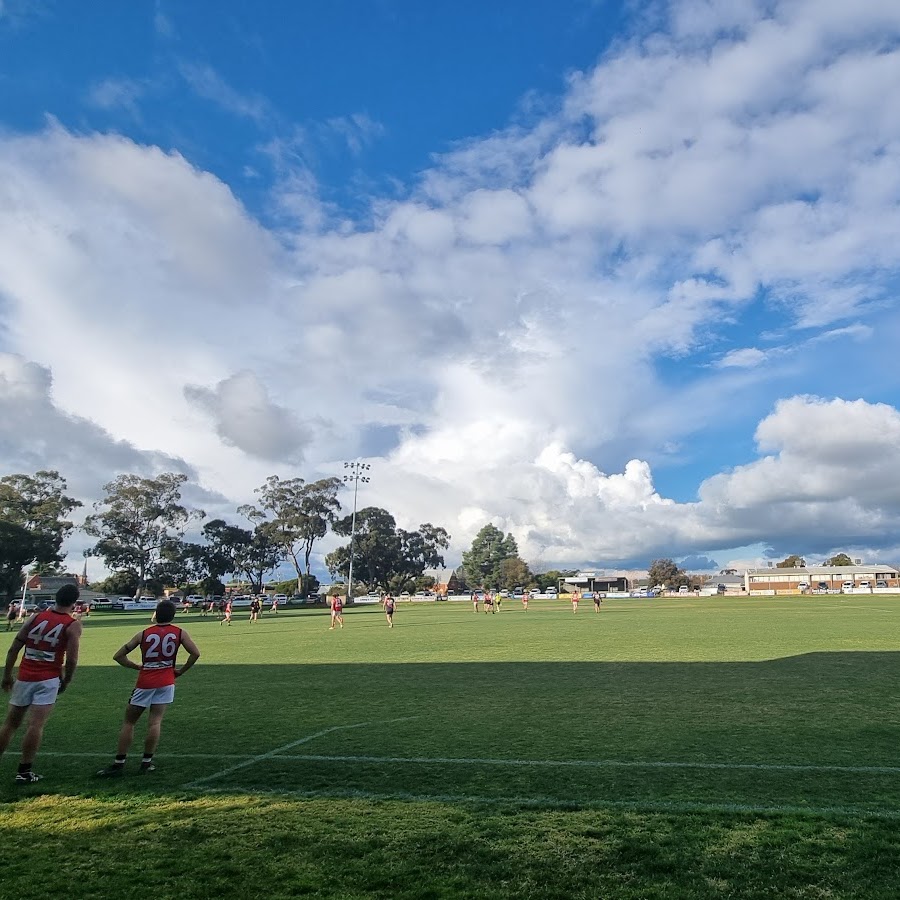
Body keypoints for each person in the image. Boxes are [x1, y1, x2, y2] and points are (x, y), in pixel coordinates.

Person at [97, 600, 200, 777]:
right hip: (166, 681)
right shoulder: (180, 633)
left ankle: (119, 763)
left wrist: (136, 666)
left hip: (145, 681)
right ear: (173, 615)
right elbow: (195, 653)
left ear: (156, 614)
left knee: (129, 722)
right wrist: (181, 671)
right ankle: (146, 762)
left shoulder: (143, 634)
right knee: (155, 722)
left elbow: (118, 656)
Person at [0, 584, 83, 784]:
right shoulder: (72, 624)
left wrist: (7, 675)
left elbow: (14, 648)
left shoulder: (35, 618)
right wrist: (67, 680)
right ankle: (24, 771)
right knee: (35, 725)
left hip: (24, 677)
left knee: (10, 724)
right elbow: (72, 659)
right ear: (74, 602)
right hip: (48, 679)